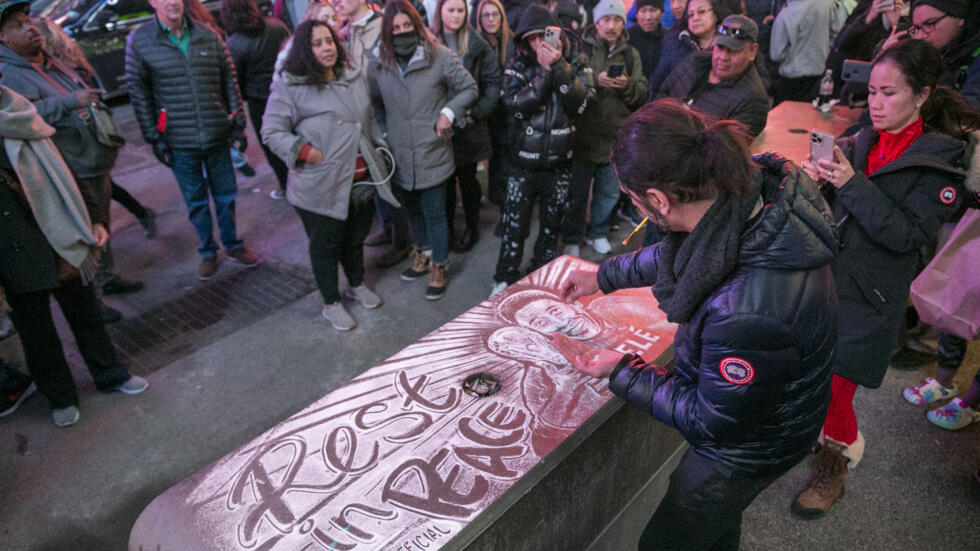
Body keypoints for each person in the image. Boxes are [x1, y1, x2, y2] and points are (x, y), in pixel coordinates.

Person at [559, 98, 839, 550]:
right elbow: (682, 255)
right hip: (763, 404)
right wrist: (602, 275)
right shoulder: (738, 191)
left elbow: (710, 421)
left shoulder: (746, 312)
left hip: (750, 447)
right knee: (714, 530)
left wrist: (621, 371)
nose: (637, 213)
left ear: (657, 200)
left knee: (674, 535)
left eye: (633, 202)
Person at [793, 38, 977, 518]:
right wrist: (818, 182)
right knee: (811, 374)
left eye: (889, 93)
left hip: (873, 297)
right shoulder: (861, 140)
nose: (875, 103)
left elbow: (904, 235)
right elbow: (835, 212)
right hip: (826, 278)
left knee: (838, 388)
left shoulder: (942, 163)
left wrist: (849, 182)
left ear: (921, 95)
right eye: (871, 91)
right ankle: (817, 442)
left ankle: (838, 457)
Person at [0, 85, 148, 427]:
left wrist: (93, 218)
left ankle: (111, 374)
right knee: (37, 334)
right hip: (12, 251)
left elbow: (66, 171)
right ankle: (60, 396)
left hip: (60, 234)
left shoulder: (24, 114)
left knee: (86, 314)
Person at [0, 1, 145, 325]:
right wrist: (70, 101)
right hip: (71, 169)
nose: (30, 27)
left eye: (28, 20)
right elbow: (24, 119)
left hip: (93, 163)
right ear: (3, 38)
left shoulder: (48, 62)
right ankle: (92, 300)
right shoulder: (10, 76)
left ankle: (106, 278)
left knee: (101, 227)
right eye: (18, 25)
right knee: (85, 234)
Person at [262, 20, 392, 330]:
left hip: (359, 178)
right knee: (325, 244)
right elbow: (271, 130)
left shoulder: (353, 77)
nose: (327, 48)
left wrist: (380, 146)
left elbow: (369, 117)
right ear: (306, 50)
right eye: (318, 43)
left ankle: (356, 284)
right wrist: (306, 152)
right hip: (319, 183)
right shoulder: (291, 87)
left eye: (330, 41)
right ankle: (331, 302)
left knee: (354, 237)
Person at [125, 0, 260, 281]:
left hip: (216, 133)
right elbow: (139, 94)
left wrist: (238, 124)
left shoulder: (208, 34)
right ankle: (208, 251)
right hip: (178, 139)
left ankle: (233, 245)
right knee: (196, 201)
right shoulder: (140, 40)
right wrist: (154, 138)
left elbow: (229, 80)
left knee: (225, 196)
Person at [367, 0, 477, 300]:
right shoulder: (378, 63)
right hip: (400, 152)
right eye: (396, 28)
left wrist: (448, 113)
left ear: (417, 26)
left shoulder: (438, 56)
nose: (402, 32)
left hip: (432, 150)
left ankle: (439, 264)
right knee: (413, 210)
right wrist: (384, 132)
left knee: (436, 213)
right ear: (388, 33)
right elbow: (375, 102)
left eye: (407, 26)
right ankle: (424, 253)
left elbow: (469, 88)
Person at [490, 5, 594, 296]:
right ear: (523, 40)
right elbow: (513, 104)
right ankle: (503, 277)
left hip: (560, 164)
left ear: (557, 34)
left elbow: (582, 104)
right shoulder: (518, 62)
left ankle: (543, 278)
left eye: (543, 36)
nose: (539, 44)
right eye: (532, 38)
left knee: (551, 228)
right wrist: (545, 75)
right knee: (513, 227)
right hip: (521, 162)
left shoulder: (577, 59)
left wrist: (560, 66)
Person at [564, 0, 646, 256]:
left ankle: (598, 231)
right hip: (582, 135)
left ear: (623, 23)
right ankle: (572, 236)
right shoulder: (581, 49)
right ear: (596, 22)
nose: (610, 26)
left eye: (616, 20)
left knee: (608, 193)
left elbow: (642, 92)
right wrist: (595, 80)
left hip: (615, 136)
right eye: (605, 20)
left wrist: (627, 86)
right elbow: (568, 86)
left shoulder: (631, 55)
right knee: (576, 195)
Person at [431, 0, 501, 252]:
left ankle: (472, 228)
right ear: (440, 11)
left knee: (468, 180)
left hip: (468, 124)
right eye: (451, 9)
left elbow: (493, 82)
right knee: (444, 183)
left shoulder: (476, 43)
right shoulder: (429, 40)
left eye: (460, 10)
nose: (456, 15)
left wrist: (477, 111)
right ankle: (446, 231)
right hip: (437, 124)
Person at [222, 0, 292, 200]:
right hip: (288, 91)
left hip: (261, 102)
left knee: (272, 147)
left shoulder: (234, 43)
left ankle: (286, 187)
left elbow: (236, 80)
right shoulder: (276, 26)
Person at [655, 14, 769, 136]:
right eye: (720, 47)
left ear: (752, 51)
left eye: (733, 51)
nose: (723, 57)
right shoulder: (695, 60)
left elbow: (723, 149)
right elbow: (661, 96)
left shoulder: (754, 101)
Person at [647, 0, 737, 97]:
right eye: (690, 15)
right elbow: (657, 84)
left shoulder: (731, 45)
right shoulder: (676, 42)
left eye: (701, 12)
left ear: (715, 14)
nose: (695, 18)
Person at [476, 0, 515, 207]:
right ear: (479, 19)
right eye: (486, 15)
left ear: (502, 17)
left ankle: (501, 199)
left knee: (502, 156)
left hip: (505, 109)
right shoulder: (474, 42)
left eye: (495, 14)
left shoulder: (512, 42)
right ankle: (487, 194)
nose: (491, 19)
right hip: (482, 107)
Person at [770, 0, 842, 104]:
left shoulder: (784, 16)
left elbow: (776, 55)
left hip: (791, 79)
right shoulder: (827, 4)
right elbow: (837, 37)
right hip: (820, 74)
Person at [628, 0, 665, 82]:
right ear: (637, 14)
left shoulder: (669, 38)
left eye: (653, 10)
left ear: (662, 13)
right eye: (643, 11)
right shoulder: (626, 37)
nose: (648, 17)